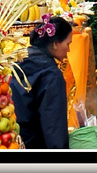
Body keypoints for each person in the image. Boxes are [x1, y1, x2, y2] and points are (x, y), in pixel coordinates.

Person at [10, 14, 72, 149]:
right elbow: (54, 124)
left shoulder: (19, 60)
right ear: (55, 44)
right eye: (68, 44)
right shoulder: (51, 74)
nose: (69, 49)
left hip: (12, 139)